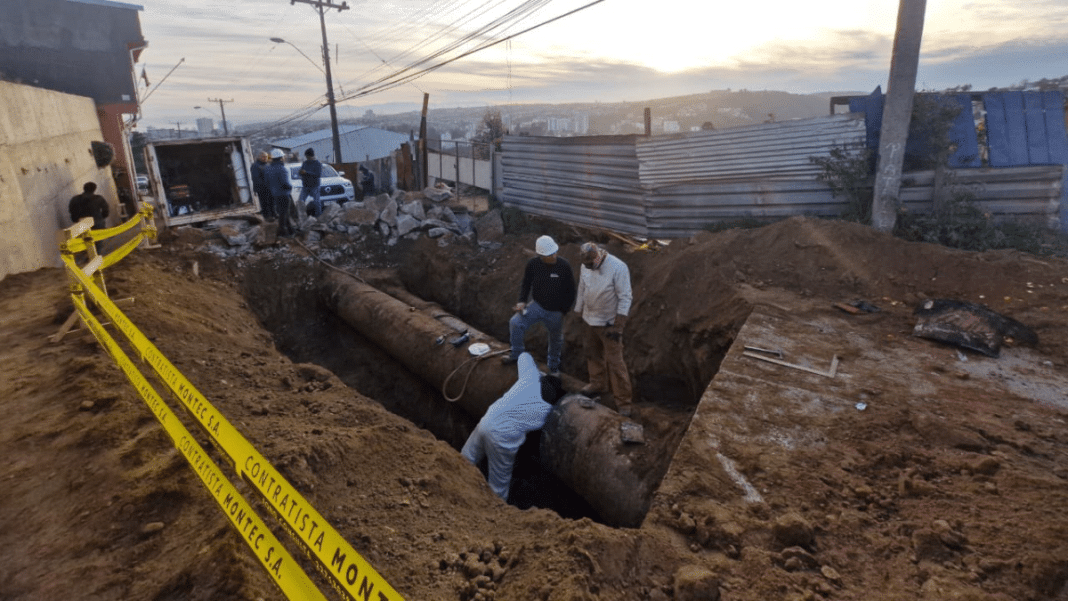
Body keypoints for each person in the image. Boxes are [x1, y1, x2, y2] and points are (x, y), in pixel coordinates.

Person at [461, 352, 565, 501]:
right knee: (497, 489)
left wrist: (539, 371)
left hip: (486, 422)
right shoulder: (546, 411)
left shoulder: (530, 378)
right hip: (502, 440)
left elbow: (524, 356)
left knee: (465, 459)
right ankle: (491, 514)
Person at [574, 242, 634, 416]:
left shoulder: (618, 267)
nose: (588, 267)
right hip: (589, 319)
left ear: (598, 256)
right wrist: (579, 310)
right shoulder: (585, 265)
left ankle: (623, 401)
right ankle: (598, 383)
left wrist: (619, 325)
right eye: (586, 265)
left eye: (591, 264)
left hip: (608, 324)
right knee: (592, 354)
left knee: (615, 362)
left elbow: (625, 297)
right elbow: (582, 287)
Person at [503, 235, 576, 376]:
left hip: (556, 312)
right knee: (515, 323)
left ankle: (553, 367)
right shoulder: (533, 265)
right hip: (537, 306)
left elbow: (571, 291)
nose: (554, 255)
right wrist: (522, 301)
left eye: (555, 252)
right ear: (541, 255)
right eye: (550, 254)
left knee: (556, 339)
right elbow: (526, 284)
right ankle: (516, 354)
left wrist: (563, 311)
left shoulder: (564, 266)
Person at [265, 149, 295, 237]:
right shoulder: (282, 169)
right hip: (284, 194)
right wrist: (290, 187)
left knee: (283, 212)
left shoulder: (268, 168)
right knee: (284, 213)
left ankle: (290, 230)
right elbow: (286, 183)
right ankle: (283, 231)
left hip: (275, 194)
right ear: (281, 158)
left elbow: (267, 182)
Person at [298, 148, 323, 217]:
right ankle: (300, 216)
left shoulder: (317, 163)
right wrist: (300, 173)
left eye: (307, 156)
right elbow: (301, 171)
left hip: (314, 186)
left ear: (310, 156)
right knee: (300, 201)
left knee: (317, 202)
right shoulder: (305, 163)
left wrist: (307, 172)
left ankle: (319, 216)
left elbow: (318, 174)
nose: (306, 158)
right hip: (305, 186)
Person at [251, 151, 274, 220]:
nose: (265, 158)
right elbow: (256, 179)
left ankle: (273, 214)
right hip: (262, 188)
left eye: (266, 157)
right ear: (259, 157)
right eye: (263, 157)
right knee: (265, 203)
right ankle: (267, 217)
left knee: (271, 202)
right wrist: (265, 186)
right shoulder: (255, 165)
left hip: (269, 188)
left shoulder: (267, 165)